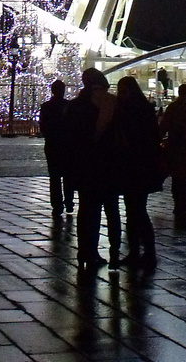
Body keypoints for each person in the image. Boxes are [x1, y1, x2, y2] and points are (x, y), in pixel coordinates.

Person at [66, 68, 119, 269]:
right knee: (111, 210)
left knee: (87, 209)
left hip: (84, 164)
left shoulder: (76, 106)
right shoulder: (110, 103)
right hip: (107, 163)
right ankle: (113, 251)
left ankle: (85, 250)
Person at [114, 76, 161, 269]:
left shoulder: (130, 111)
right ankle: (143, 251)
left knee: (136, 210)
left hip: (134, 165)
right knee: (136, 209)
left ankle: (142, 251)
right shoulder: (145, 109)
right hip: (142, 165)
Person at [158, 83, 186, 219]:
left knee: (176, 179)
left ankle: (180, 204)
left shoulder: (172, 108)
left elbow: (163, 126)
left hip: (175, 146)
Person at [38, 80, 74, 218]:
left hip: (53, 144)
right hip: (67, 145)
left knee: (54, 177)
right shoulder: (69, 106)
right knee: (68, 176)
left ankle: (57, 205)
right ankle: (69, 202)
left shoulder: (46, 107)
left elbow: (43, 126)